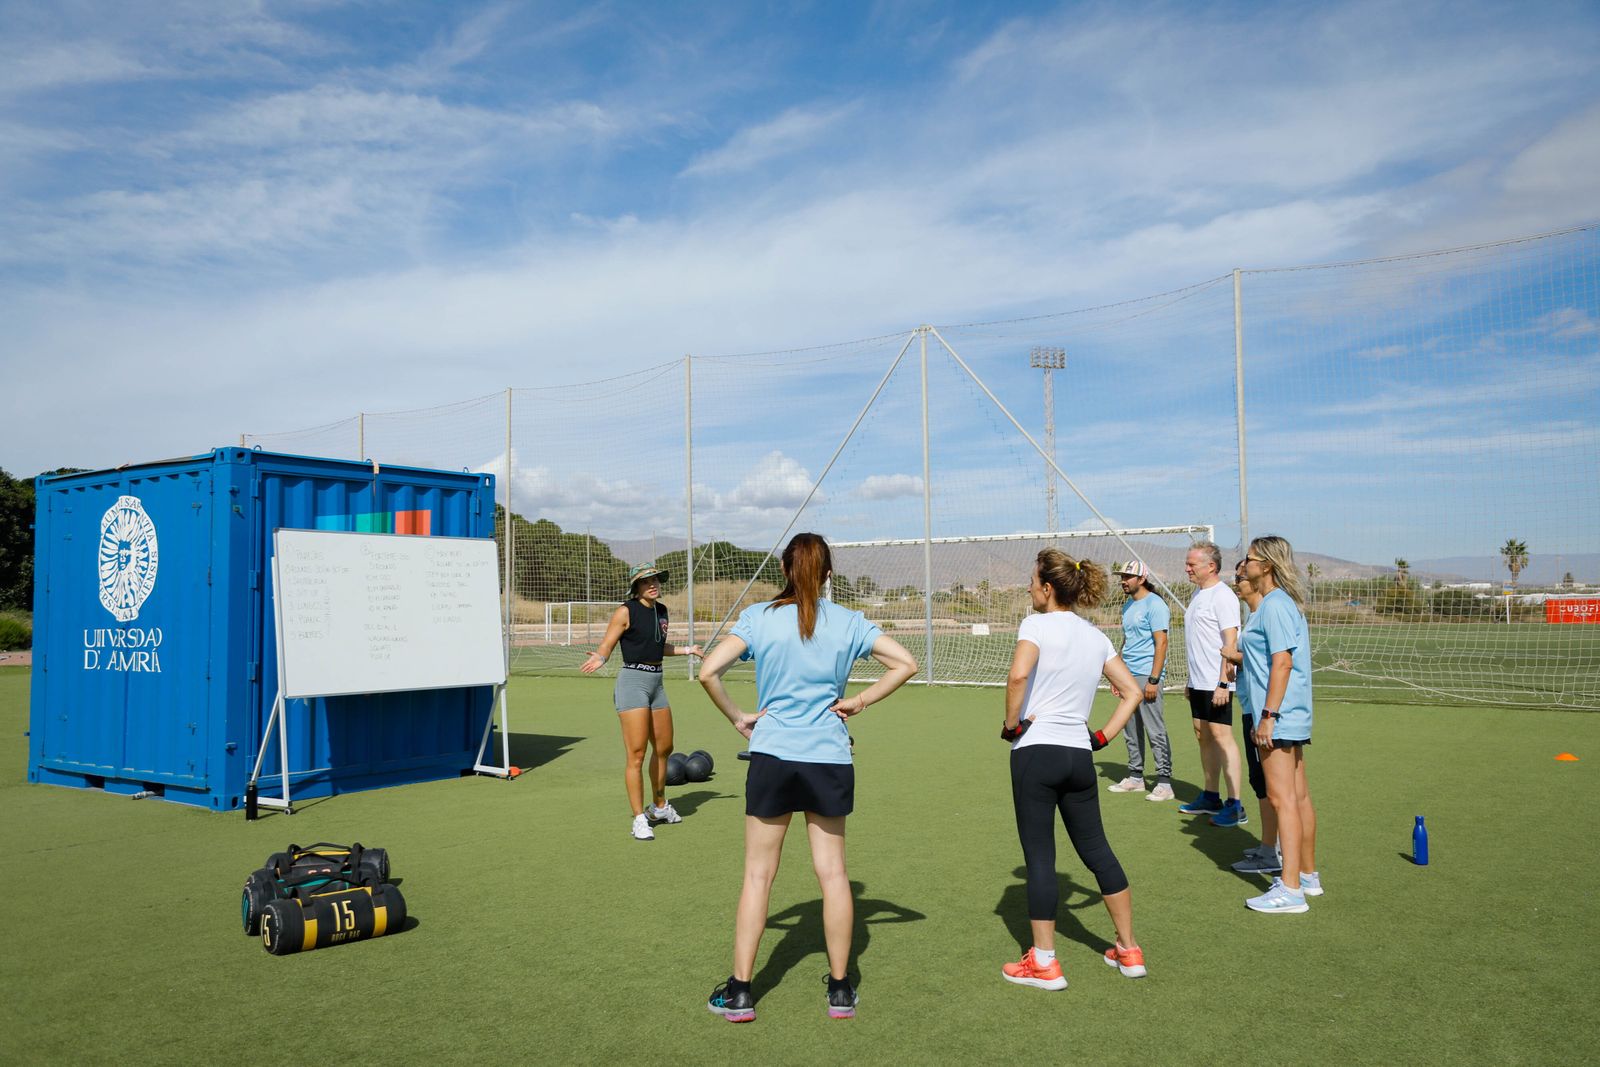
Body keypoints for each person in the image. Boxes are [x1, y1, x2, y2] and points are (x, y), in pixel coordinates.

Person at [697, 533, 918, 1023]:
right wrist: (859, 701)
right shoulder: (850, 622)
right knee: (834, 874)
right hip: (828, 758)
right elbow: (907, 663)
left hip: (773, 754)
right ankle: (840, 990)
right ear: (828, 574)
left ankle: (739, 993)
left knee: (758, 875)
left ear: (785, 570)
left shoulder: (760, 618)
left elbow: (708, 671)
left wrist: (738, 717)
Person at [999, 549, 1147, 992]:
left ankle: (1044, 963)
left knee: (1041, 858)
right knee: (1098, 851)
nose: (1028, 587)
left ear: (1047, 588)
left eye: (1031, 580)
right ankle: (1129, 950)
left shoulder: (1035, 625)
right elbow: (1132, 693)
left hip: (1037, 752)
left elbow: (1018, 678)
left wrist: (1011, 727)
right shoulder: (1094, 635)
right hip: (1079, 756)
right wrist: (1099, 738)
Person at [581, 564, 703, 842]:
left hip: (657, 683)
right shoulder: (626, 610)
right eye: (646, 581)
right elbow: (607, 644)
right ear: (636, 586)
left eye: (656, 579)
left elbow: (658, 647)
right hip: (632, 682)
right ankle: (639, 818)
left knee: (664, 748)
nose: (653, 584)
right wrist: (600, 657)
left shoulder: (662, 611)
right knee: (636, 754)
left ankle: (659, 807)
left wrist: (688, 650)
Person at [1236, 536, 1321, 914]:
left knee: (1282, 797)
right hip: (1287, 712)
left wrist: (1268, 716)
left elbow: (1282, 664)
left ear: (1266, 565)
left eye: (1249, 558)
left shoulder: (1274, 605)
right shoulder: (1278, 605)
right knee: (1298, 795)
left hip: (1279, 714)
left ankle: (1290, 889)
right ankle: (1305, 875)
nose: (1245, 564)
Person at [1176, 542, 1246, 827]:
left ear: (1211, 567)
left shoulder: (1223, 596)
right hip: (1198, 681)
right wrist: (1191, 682)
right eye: (1187, 563)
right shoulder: (1198, 594)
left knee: (1221, 736)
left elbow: (1230, 642)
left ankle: (1236, 804)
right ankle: (1211, 796)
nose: (1187, 568)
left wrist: (1223, 683)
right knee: (1202, 734)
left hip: (1217, 681)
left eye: (1192, 564)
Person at [1222, 561, 1281, 876]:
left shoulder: (1271, 611)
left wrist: (1235, 656)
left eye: (1241, 576)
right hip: (1251, 707)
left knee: (1274, 787)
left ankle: (1277, 853)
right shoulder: (1253, 616)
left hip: (1264, 711)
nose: (1237, 581)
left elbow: (1278, 661)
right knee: (1260, 783)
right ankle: (1269, 846)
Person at [1107, 561, 1175, 802]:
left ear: (1142, 579)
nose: (1123, 580)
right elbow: (1127, 641)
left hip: (1148, 674)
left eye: (1128, 576)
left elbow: (1162, 643)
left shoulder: (1155, 604)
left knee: (1154, 729)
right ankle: (1136, 777)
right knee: (1130, 728)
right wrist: (1119, 674)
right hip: (1129, 675)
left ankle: (1165, 782)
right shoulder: (1128, 605)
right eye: (1122, 576)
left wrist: (1154, 679)